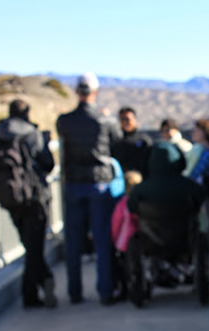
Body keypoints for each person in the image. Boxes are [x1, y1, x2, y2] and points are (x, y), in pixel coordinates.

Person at [56, 72, 122, 306]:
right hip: (99, 184)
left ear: (77, 92)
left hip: (73, 184)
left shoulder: (65, 121)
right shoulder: (104, 120)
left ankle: (75, 292)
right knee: (102, 239)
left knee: (73, 241)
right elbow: (117, 140)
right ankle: (105, 291)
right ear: (95, 92)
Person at [0, 100, 57, 308]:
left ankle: (40, 283)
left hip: (9, 198)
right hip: (34, 196)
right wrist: (45, 143)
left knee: (29, 245)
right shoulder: (31, 134)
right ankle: (33, 291)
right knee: (34, 247)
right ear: (27, 113)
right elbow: (48, 164)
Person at [127, 142, 205, 218]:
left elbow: (131, 208)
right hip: (184, 226)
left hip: (149, 226)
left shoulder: (139, 191)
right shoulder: (190, 187)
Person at [185, 118, 209, 251]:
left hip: (204, 198)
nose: (194, 132)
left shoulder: (208, 154)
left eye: (197, 130)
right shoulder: (199, 152)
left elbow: (196, 174)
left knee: (204, 232)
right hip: (199, 198)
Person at [111, 170, 142, 300]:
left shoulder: (121, 204)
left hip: (123, 242)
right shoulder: (141, 203)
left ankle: (125, 290)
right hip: (139, 240)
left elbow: (116, 223)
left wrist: (114, 239)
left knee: (124, 268)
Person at [111, 107, 152, 173]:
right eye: (122, 119)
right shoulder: (116, 141)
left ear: (134, 120)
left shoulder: (143, 140)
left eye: (127, 119)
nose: (125, 122)